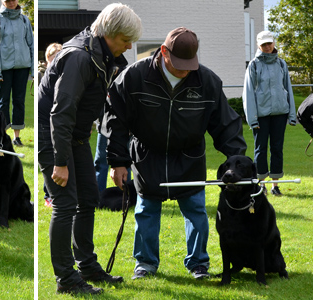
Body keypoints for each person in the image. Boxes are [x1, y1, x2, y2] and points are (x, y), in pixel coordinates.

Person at [105, 27, 247, 280]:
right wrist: (118, 161)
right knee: (146, 212)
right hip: (148, 157)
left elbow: (225, 124)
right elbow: (115, 120)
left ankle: (198, 264)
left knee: (196, 212)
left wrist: (239, 162)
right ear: (163, 52)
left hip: (189, 158)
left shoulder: (207, 81)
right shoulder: (134, 77)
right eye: (179, 64)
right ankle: (145, 263)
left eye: (190, 64)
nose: (185, 70)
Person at [37, 3, 142, 295]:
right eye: (125, 39)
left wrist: (115, 159)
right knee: (65, 203)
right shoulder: (80, 58)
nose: (129, 45)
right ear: (109, 33)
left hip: (77, 136)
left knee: (88, 198)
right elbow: (61, 111)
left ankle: (86, 265)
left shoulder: (104, 55)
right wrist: (60, 161)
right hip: (54, 133)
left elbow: (104, 107)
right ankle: (66, 279)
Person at [242, 31, 297, 196]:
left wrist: (292, 115)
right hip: (261, 115)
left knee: (277, 149)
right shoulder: (253, 65)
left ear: (274, 43)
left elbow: (288, 88)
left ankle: (275, 186)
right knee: (260, 149)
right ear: (258, 46)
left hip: (280, 113)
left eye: (269, 43)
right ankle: (261, 185)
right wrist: (252, 119)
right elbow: (248, 93)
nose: (267, 47)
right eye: (264, 44)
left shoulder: (282, 64)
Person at [0, 0, 33, 146]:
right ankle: (2, 135)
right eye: (7, 0)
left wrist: (32, 71)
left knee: (19, 101)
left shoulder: (24, 20)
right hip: (4, 69)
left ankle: (16, 137)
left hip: (22, 68)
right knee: (3, 102)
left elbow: (31, 44)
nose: (11, 2)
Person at [37, 42, 62, 208]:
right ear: (47, 61)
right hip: (45, 124)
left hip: (59, 124)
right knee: (49, 160)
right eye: (53, 59)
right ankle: (49, 194)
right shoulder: (43, 77)